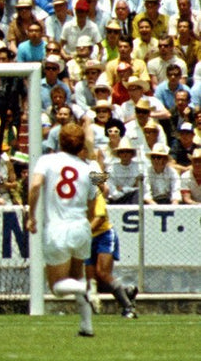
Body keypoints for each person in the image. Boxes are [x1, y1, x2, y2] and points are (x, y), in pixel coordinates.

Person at [26, 122, 98, 337]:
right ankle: (87, 325)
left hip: (57, 229)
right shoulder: (89, 169)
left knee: (57, 288)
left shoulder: (47, 160)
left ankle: (87, 290)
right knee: (77, 277)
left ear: (59, 141)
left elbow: (36, 185)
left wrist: (31, 216)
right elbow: (97, 197)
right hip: (81, 228)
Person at [85, 170, 138, 319]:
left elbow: (100, 218)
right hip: (88, 239)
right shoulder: (75, 199)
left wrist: (84, 233)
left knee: (103, 273)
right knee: (94, 281)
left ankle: (128, 308)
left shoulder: (95, 194)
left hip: (104, 235)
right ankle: (127, 291)